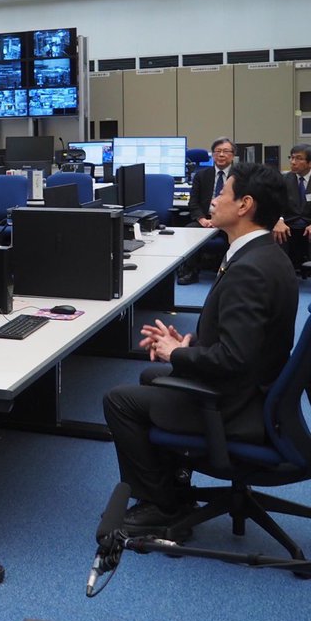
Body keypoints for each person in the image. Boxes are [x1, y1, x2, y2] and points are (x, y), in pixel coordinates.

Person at [102, 161, 297, 534]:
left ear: (245, 205)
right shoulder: (264, 254)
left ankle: (161, 506)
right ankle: (176, 486)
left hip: (235, 405)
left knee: (119, 401)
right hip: (257, 390)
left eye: (223, 193)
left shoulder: (250, 269)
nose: (214, 199)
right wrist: (188, 344)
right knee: (150, 375)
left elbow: (234, 357)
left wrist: (175, 353)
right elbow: (246, 341)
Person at [176, 135, 235, 284]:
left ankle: (229, 273)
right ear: (213, 154)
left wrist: (222, 220)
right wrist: (202, 219)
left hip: (230, 221)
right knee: (190, 230)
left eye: (226, 151)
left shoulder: (240, 176)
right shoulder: (201, 175)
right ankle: (190, 271)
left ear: (233, 155)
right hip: (206, 219)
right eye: (218, 151)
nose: (221, 155)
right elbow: (193, 203)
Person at [273, 143, 311, 275]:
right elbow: (275, 204)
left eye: (299, 158)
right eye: (292, 157)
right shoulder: (282, 179)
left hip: (308, 225)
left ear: (309, 163)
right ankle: (282, 275)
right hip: (288, 224)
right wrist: (278, 220)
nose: (293, 162)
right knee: (277, 234)